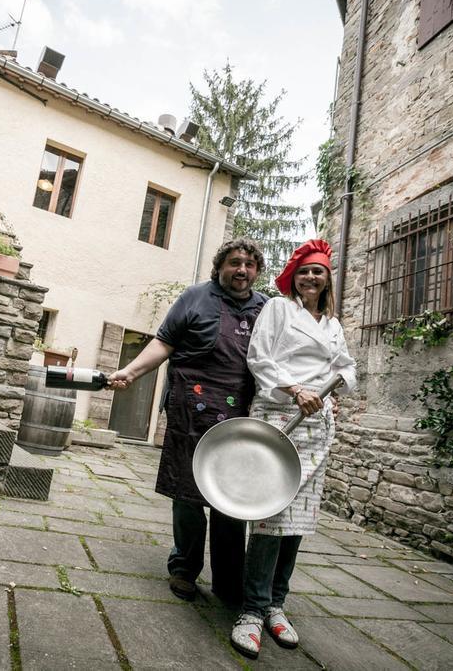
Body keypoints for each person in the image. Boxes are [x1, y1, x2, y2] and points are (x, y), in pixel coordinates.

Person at [107, 238, 268, 605]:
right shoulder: (194, 297)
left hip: (238, 416)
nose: (241, 270)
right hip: (189, 409)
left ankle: (229, 581)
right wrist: (131, 372)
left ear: (257, 271)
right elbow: (163, 343)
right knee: (187, 493)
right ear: (220, 266)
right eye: (234, 262)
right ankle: (184, 568)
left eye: (249, 264)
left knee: (232, 499)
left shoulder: (266, 308)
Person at [229, 239, 357, 659]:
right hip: (281, 414)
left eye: (318, 271)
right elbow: (260, 358)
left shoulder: (333, 325)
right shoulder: (278, 309)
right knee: (270, 515)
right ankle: (251, 611)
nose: (310, 277)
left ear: (327, 280)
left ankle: (276, 604)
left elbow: (346, 367)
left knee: (297, 521)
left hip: (316, 426)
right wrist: (297, 388)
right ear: (294, 277)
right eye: (304, 271)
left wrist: (332, 391)